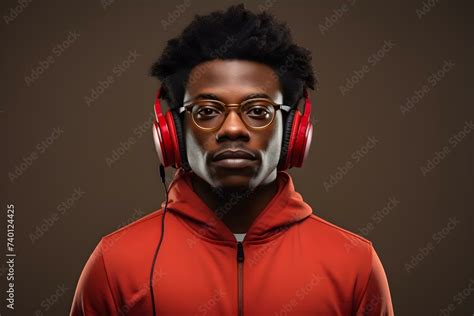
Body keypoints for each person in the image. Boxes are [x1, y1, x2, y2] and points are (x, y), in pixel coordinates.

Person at [70, 4, 394, 315]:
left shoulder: (354, 264)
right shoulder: (116, 264)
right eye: (208, 112)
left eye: (258, 111)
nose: (234, 129)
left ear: (294, 130)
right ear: (171, 132)